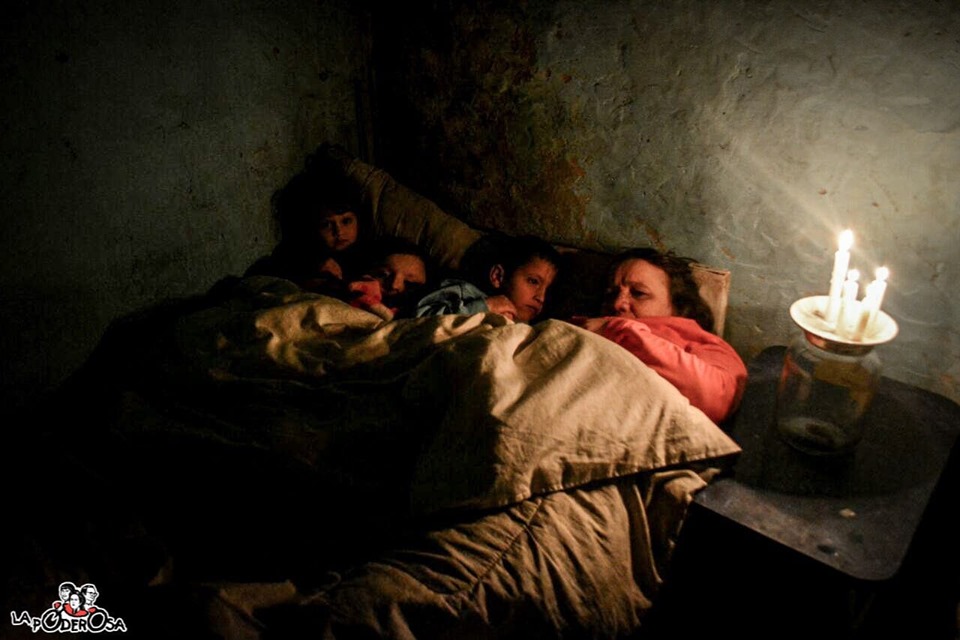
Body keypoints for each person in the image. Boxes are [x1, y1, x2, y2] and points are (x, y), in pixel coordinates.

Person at [574, 247, 747, 424]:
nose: (618, 303)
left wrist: (617, 329)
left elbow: (715, 398)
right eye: (611, 293)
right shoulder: (584, 325)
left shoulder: (703, 343)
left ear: (678, 306)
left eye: (638, 293)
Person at [245, 155, 369, 293]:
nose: (339, 232)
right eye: (326, 225)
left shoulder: (368, 253)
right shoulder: (296, 254)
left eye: (346, 221)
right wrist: (315, 265)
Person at [414, 234, 561, 323]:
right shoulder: (465, 293)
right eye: (533, 281)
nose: (541, 297)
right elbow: (421, 320)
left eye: (548, 290)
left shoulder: (529, 325)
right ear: (498, 276)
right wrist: (484, 307)